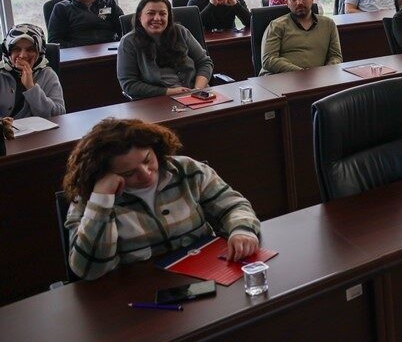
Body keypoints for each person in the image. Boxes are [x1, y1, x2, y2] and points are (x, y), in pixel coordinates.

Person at [62, 118, 260, 280]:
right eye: (130, 173)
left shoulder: (187, 170)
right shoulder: (89, 201)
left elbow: (233, 205)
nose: (146, 174)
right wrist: (101, 202)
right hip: (137, 296)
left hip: (205, 277)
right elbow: (89, 271)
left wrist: (241, 230)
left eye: (148, 160)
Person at [116, 0, 214, 100]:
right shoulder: (128, 42)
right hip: (158, 101)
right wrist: (168, 92)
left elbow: (204, 62)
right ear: (140, 16)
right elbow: (129, 84)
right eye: (151, 13)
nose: (157, 18)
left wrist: (197, 89)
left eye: (163, 14)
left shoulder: (181, 32)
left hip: (197, 95)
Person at [260, 0, 343, 74]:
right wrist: (302, 73)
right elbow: (268, 60)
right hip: (281, 78)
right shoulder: (276, 26)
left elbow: (336, 57)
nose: (299, 2)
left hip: (317, 79)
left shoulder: (328, 24)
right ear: (287, 3)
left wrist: (324, 74)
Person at [0, 24, 65, 118]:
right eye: (16, 49)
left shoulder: (47, 75)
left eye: (30, 49)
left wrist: (31, 87)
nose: (22, 55)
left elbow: (58, 115)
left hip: (39, 132)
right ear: (8, 52)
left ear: (39, 52)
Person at [46, 0, 124, 48]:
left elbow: (125, 30)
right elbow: (54, 41)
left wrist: (117, 45)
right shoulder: (62, 8)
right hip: (78, 55)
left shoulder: (109, 4)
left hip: (109, 51)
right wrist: (78, 49)